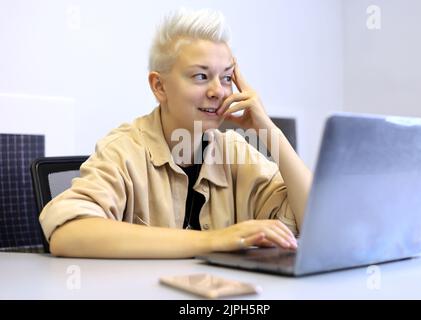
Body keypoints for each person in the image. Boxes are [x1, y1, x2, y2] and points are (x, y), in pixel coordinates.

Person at [39, 8, 312, 258]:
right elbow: (68, 233)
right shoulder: (124, 149)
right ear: (159, 86)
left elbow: (317, 223)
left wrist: (268, 130)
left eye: (227, 77)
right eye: (201, 76)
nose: (218, 90)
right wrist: (216, 240)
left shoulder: (235, 151)